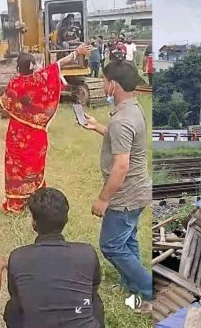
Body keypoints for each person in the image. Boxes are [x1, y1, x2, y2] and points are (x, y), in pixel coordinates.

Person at [0, 45, 91, 213]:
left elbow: (0, 103)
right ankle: (37, 198)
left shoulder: (15, 85)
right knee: (34, 167)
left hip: (17, 135)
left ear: (18, 68)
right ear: (32, 66)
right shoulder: (41, 79)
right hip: (37, 134)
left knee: (16, 168)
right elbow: (57, 65)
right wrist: (76, 53)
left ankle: (16, 203)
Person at [82, 60, 153, 306]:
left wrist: (103, 199)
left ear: (113, 85)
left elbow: (121, 166)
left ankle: (147, 288)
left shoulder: (123, 119)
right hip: (139, 190)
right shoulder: (133, 108)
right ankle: (132, 284)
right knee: (128, 239)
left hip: (126, 196)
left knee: (111, 245)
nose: (101, 84)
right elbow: (125, 142)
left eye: (103, 81)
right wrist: (99, 127)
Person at [4, 187, 104, 327]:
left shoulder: (18, 257)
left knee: (13, 307)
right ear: (66, 219)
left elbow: (17, 296)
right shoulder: (87, 253)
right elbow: (92, 291)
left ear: (34, 223)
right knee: (93, 299)